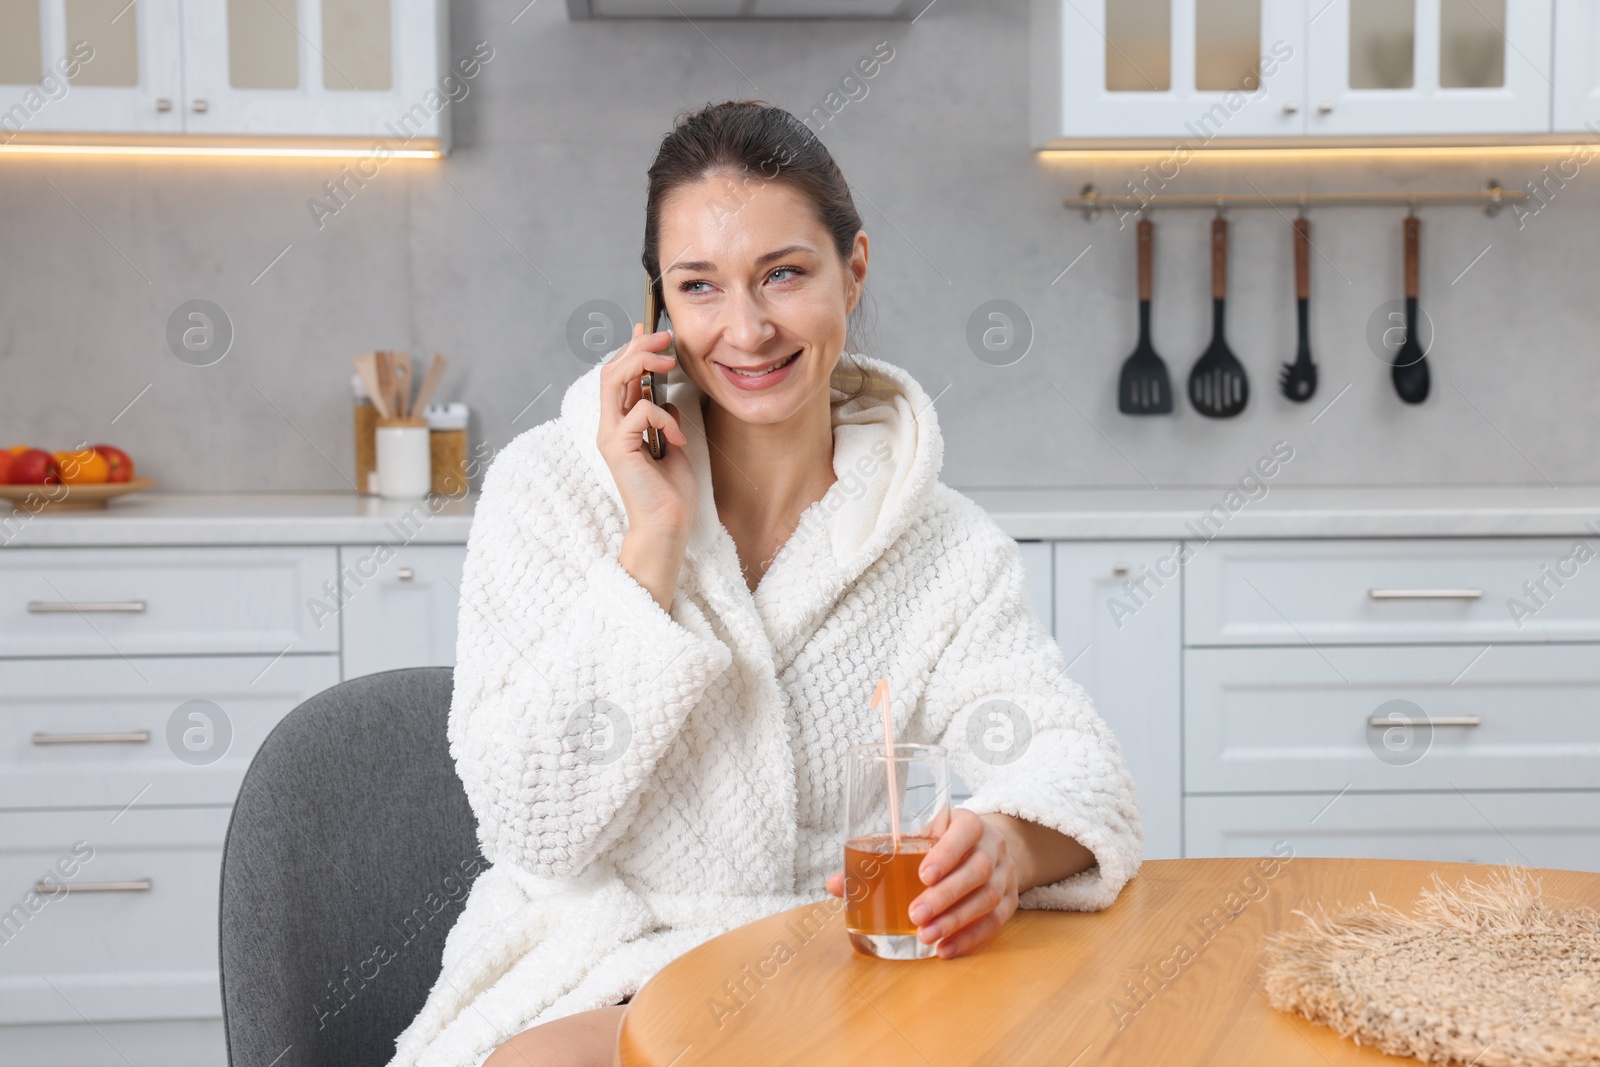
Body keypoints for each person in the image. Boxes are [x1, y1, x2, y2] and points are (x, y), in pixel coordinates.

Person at [388, 101, 1142, 1067]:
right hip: (609, 970)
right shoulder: (552, 494)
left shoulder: (941, 545)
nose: (745, 330)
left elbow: (1082, 768)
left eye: (783, 274)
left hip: (840, 970)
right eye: (700, 287)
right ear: (660, 309)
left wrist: (1007, 842)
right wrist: (652, 544)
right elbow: (534, 825)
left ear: (853, 270)